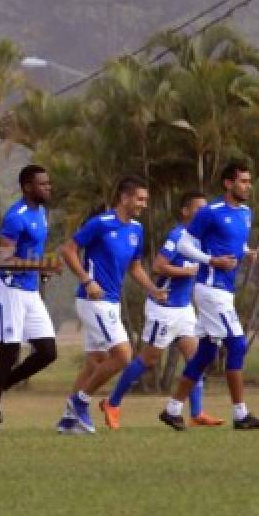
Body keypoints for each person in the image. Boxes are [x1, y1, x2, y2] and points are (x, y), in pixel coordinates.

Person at [100, 191, 225, 429]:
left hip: (184, 308)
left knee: (196, 359)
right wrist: (186, 272)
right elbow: (159, 266)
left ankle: (197, 412)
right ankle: (112, 403)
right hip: (163, 308)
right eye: (199, 209)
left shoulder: (202, 238)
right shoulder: (178, 236)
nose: (204, 214)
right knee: (149, 359)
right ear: (186, 212)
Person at [160, 162, 259, 431]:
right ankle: (241, 414)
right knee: (238, 345)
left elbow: (235, 244)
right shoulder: (210, 212)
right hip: (210, 289)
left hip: (225, 291)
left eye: (249, 181)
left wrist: (247, 252)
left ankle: (172, 409)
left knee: (205, 353)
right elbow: (185, 245)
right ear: (228, 184)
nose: (247, 186)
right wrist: (212, 261)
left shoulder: (245, 213)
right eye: (242, 181)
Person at [56, 175, 168, 434]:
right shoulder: (101, 223)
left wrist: (153, 289)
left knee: (96, 361)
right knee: (123, 355)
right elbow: (68, 250)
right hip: (94, 300)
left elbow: (135, 266)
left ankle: (68, 421)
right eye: (139, 199)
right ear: (124, 197)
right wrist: (86, 280)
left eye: (145, 200)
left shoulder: (137, 230)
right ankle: (79, 403)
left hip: (111, 302)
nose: (143, 204)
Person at [0, 165, 62, 431]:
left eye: (48, 183)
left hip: (30, 291)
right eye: (42, 184)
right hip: (10, 290)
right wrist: (42, 265)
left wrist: (42, 271)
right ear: (27, 187)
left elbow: (33, 251)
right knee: (9, 353)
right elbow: (0, 258)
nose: (48, 188)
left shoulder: (42, 213)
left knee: (48, 352)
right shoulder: (17, 216)